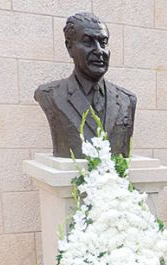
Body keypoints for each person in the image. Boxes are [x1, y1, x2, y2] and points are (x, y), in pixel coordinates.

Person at [35, 12, 136, 158]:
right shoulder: (50, 95)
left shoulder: (127, 100)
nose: (99, 51)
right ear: (69, 47)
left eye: (103, 43)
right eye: (88, 42)